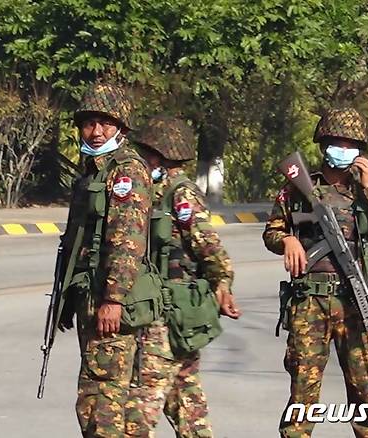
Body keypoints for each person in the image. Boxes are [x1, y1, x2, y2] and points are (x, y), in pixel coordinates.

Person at [263, 107, 368, 438]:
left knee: (366, 394)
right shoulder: (299, 186)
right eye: (336, 142)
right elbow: (271, 232)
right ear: (323, 144)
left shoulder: (363, 191)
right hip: (310, 302)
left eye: (350, 144)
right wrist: (288, 242)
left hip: (354, 302)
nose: (343, 149)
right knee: (303, 398)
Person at [125, 115, 241, 437]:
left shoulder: (179, 193)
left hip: (167, 314)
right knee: (187, 398)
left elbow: (209, 246)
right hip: (164, 311)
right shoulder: (149, 189)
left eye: (145, 152)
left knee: (141, 405)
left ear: (160, 155)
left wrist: (223, 283)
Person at [57, 82, 154, 437]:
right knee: (108, 398)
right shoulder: (93, 172)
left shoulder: (125, 171)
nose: (96, 132)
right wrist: (67, 301)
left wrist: (113, 299)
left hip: (110, 301)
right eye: (89, 123)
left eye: (105, 123)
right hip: (89, 296)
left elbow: (128, 239)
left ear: (122, 128)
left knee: (101, 400)